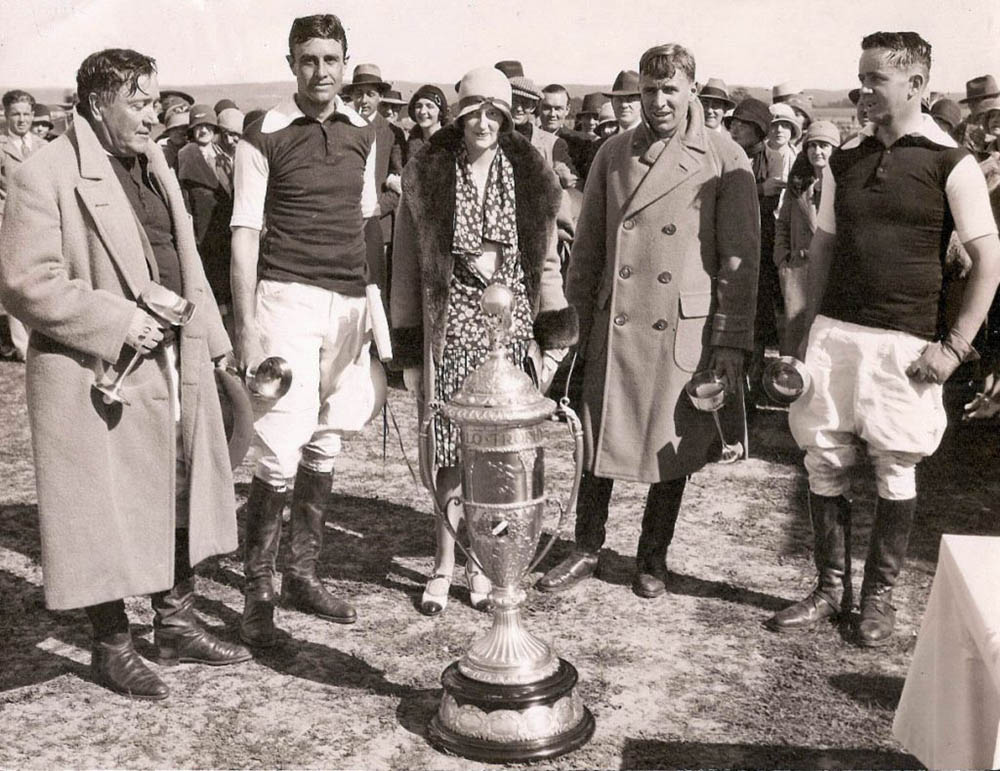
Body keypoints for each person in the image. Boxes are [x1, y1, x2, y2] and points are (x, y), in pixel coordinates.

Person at [0, 48, 251, 700]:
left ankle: (175, 620)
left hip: (170, 357)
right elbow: (27, 283)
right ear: (94, 103)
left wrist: (215, 342)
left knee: (175, 483)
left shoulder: (155, 162)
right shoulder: (44, 174)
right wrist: (115, 324)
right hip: (94, 370)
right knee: (101, 506)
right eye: (137, 101)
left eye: (153, 100)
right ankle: (112, 641)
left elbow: (182, 254)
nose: (151, 114)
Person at [767, 32, 1000, 646]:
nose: (864, 90)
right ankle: (829, 588)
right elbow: (823, 248)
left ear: (918, 85)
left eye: (877, 79)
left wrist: (952, 349)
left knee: (896, 468)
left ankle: (879, 600)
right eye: (862, 77)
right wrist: (802, 335)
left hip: (906, 347)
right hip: (836, 336)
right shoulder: (845, 157)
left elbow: (988, 264)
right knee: (824, 461)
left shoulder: (953, 163)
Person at [537, 43, 759, 599]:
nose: (658, 102)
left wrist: (731, 340)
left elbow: (740, 259)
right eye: (649, 90)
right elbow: (587, 250)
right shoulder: (613, 152)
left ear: (691, 90)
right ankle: (586, 547)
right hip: (614, 324)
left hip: (681, 330)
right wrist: (574, 327)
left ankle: (652, 557)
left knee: (671, 446)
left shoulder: (725, 156)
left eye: (670, 90)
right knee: (596, 438)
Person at [390, 66, 576, 615]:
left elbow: (544, 263)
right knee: (448, 454)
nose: (485, 124)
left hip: (512, 333)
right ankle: (446, 565)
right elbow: (404, 266)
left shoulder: (529, 176)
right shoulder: (428, 173)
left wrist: (553, 342)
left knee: (503, 459)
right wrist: (409, 355)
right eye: (475, 113)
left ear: (508, 117)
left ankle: (488, 560)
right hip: (449, 335)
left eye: (496, 113)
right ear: (460, 115)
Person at [230, 13, 384, 647]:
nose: (321, 72)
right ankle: (257, 595)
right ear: (292, 62)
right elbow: (243, 235)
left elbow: (369, 222)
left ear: (346, 63)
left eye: (331, 59)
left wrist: (374, 309)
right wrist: (245, 328)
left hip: (347, 305)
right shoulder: (262, 134)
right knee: (278, 447)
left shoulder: (366, 133)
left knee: (326, 441)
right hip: (285, 300)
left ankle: (302, 573)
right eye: (308, 59)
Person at [773, 120, 841, 355]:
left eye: (824, 145)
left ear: (835, 149)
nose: (817, 151)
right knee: (794, 337)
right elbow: (782, 224)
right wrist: (782, 259)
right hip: (797, 270)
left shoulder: (843, 186)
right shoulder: (798, 185)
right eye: (811, 146)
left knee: (823, 338)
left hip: (830, 272)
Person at [343, 64, 404, 313]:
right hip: (347, 224)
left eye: (370, 94)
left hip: (379, 226)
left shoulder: (391, 133)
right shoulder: (343, 128)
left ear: (380, 97)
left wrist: (380, 206)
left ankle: (382, 348)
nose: (363, 100)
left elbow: (400, 181)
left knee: (378, 291)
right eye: (359, 94)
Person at [177, 105, 238, 337]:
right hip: (204, 235)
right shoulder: (187, 156)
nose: (203, 130)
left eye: (207, 126)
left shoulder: (223, 155)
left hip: (226, 232)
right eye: (198, 126)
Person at [1, 90, 45, 362]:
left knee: (39, 279)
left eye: (27, 114)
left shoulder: (43, 146)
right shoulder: (2, 147)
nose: (22, 119)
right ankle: (22, 346)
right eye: (16, 114)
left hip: (39, 221)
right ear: (6, 116)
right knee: (14, 282)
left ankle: (42, 341)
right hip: (8, 222)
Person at [404, 84, 447, 165]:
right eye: (418, 106)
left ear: (440, 112)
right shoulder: (408, 146)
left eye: (429, 106)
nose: (422, 111)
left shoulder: (453, 143)